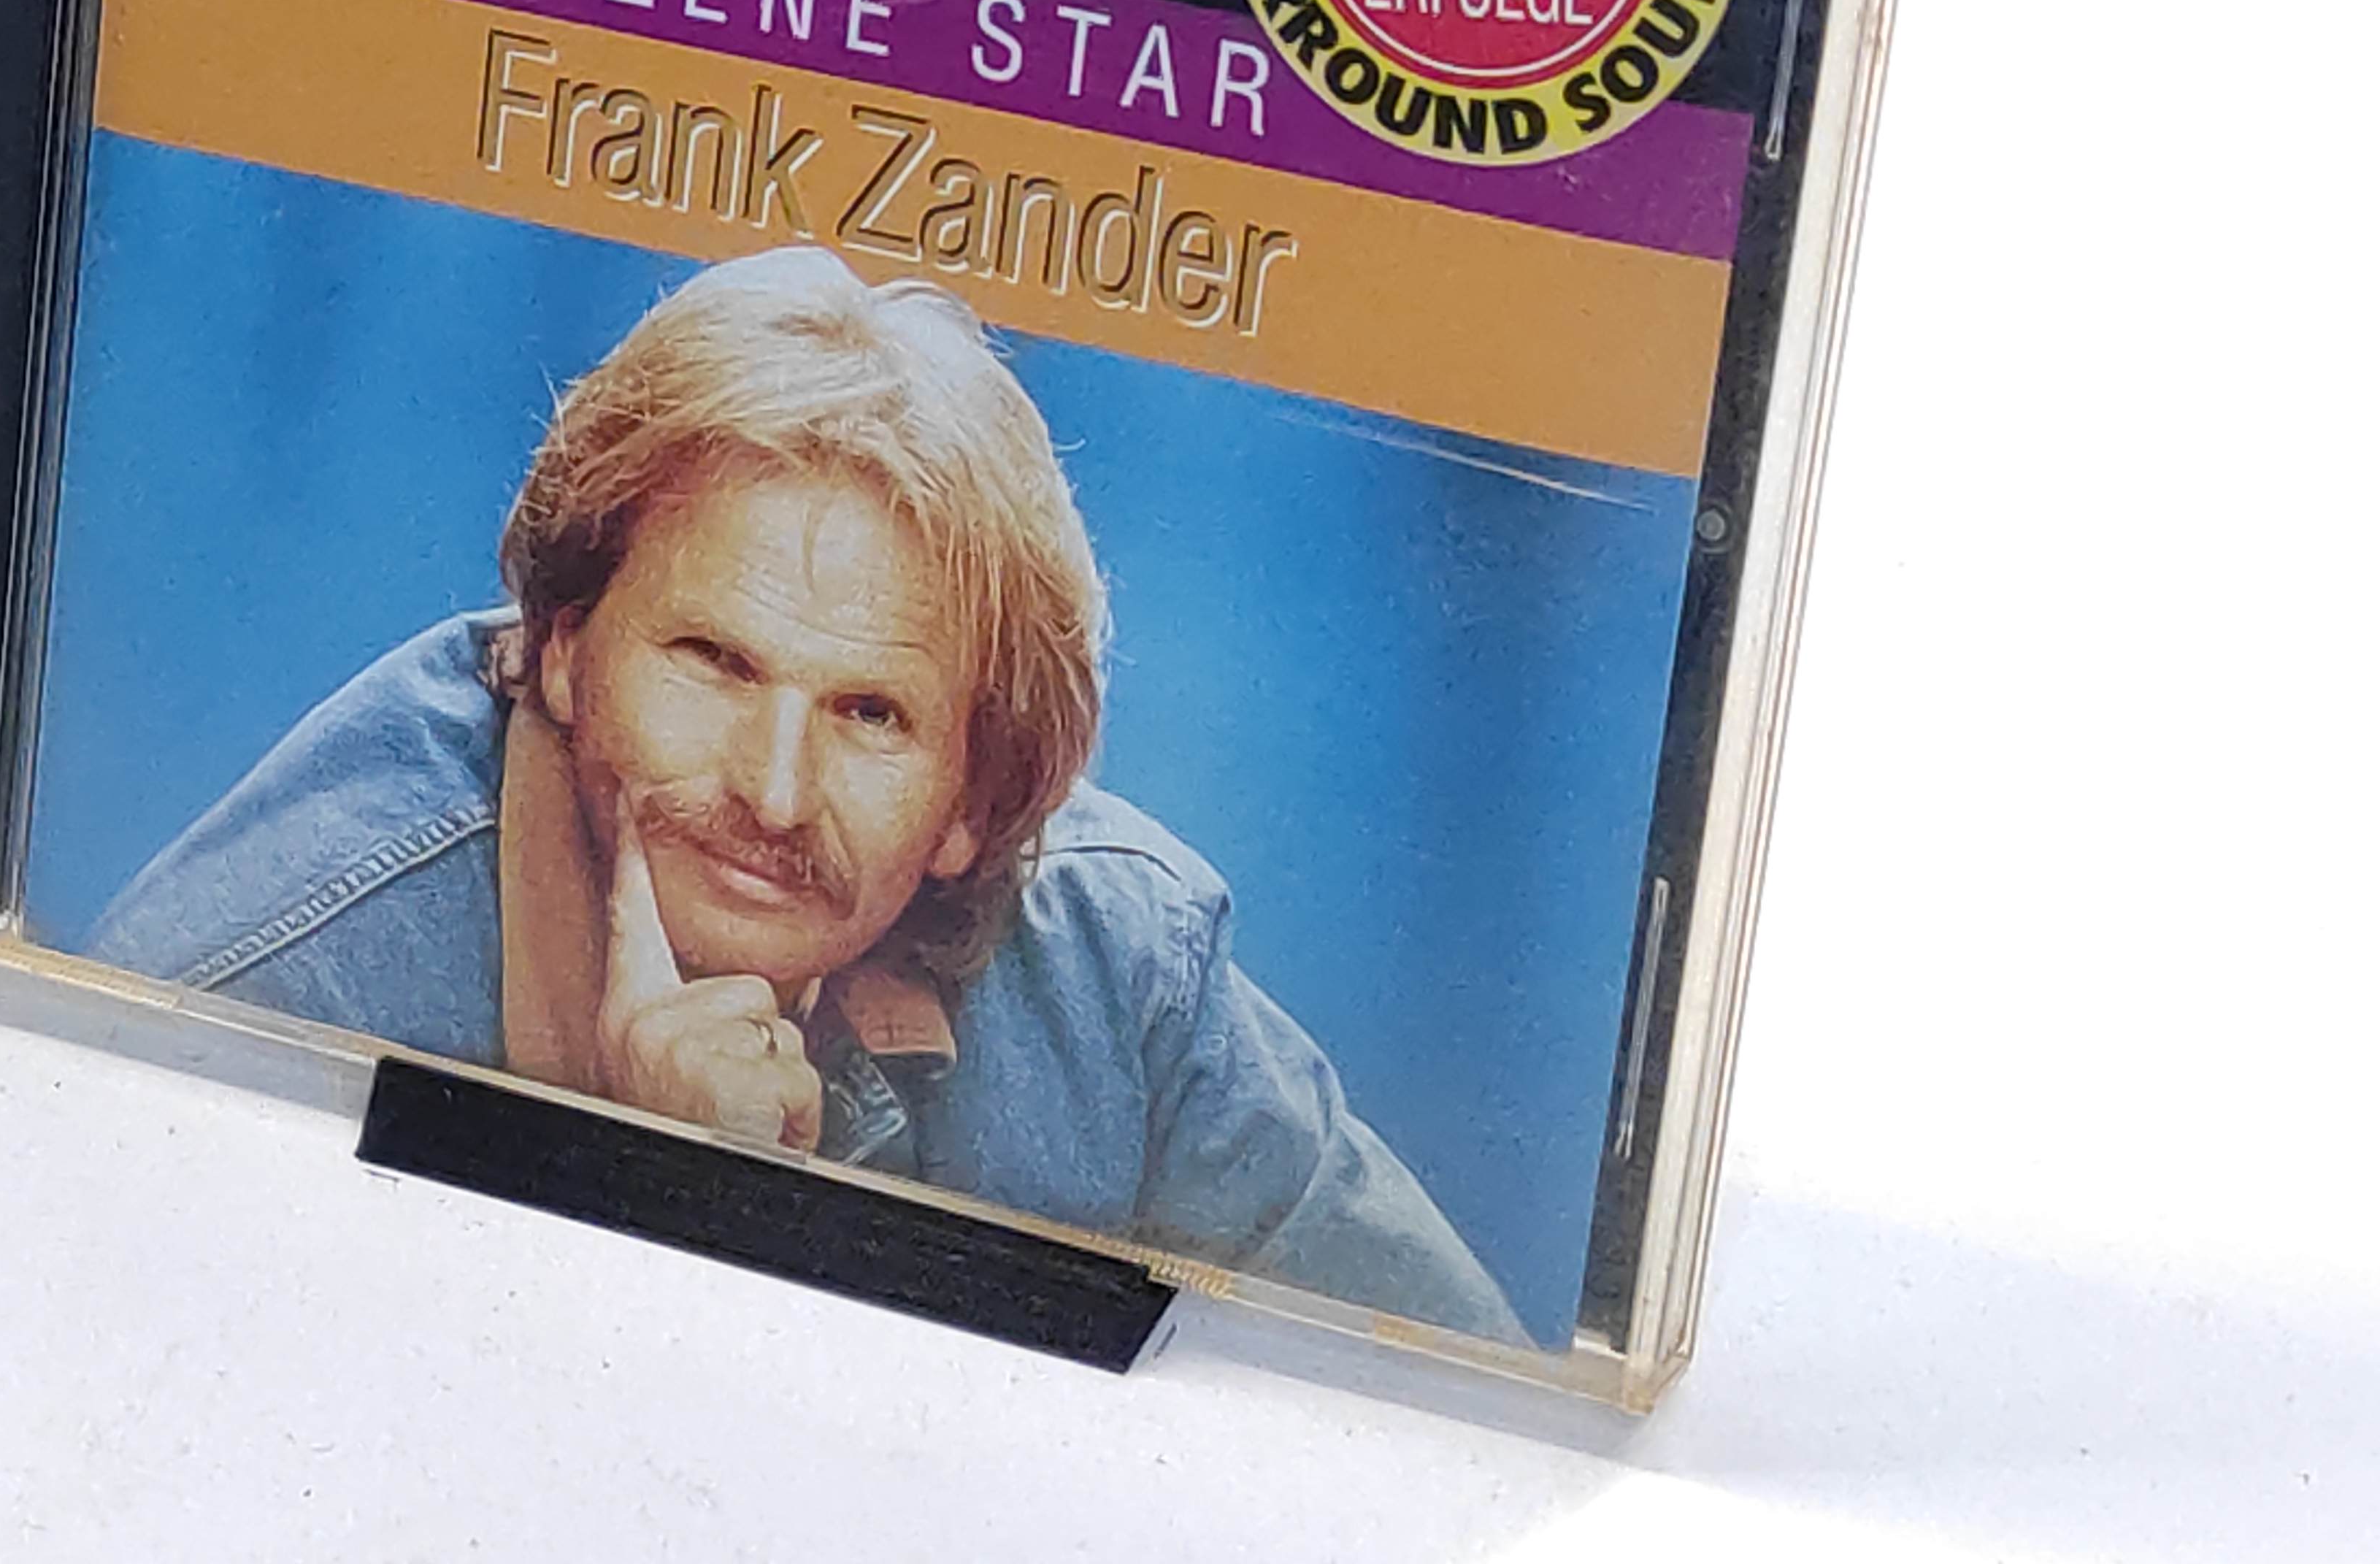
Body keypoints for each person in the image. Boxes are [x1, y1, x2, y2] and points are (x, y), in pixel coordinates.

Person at [85, 248, 1524, 1343]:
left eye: (870, 714)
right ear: (566, 646)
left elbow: (1457, 1417)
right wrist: (654, 1190)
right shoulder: (276, 982)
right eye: (713, 662)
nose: (773, 794)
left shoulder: (1121, 965)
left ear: (976, 802)